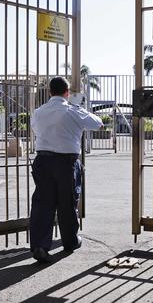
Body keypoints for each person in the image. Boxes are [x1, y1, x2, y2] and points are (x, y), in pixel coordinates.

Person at [29, 77, 103, 263]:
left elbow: (36, 130)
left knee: (42, 204)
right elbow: (98, 123)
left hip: (42, 161)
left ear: (50, 92)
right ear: (67, 92)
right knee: (67, 204)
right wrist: (79, 107)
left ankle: (39, 245)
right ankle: (70, 242)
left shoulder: (38, 112)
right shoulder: (72, 110)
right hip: (65, 163)